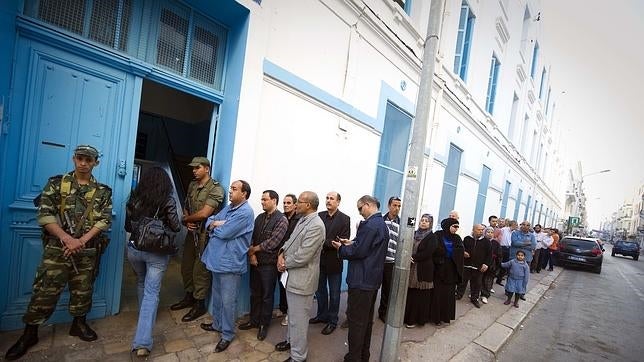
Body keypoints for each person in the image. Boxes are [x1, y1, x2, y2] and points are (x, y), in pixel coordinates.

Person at [5, 145, 112, 361]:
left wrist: (81, 240)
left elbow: (104, 220)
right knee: (44, 290)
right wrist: (67, 238)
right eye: (80, 158)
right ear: (74, 159)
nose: (83, 163)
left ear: (95, 163)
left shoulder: (103, 191)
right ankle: (30, 333)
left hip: (86, 250)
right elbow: (45, 215)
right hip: (58, 249)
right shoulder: (56, 184)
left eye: (88, 160)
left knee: (83, 288)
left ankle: (79, 324)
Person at [124, 167, 181, 357]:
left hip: (135, 249)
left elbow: (127, 225)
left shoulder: (135, 197)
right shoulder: (167, 200)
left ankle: (144, 318)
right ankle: (142, 342)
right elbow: (175, 226)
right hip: (156, 252)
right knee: (151, 292)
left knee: (141, 282)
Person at [332, 195, 389, 362]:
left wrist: (341, 248)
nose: (360, 213)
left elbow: (359, 252)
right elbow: (366, 247)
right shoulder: (380, 224)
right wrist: (350, 242)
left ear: (368, 205)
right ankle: (363, 356)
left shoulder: (370, 225)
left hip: (361, 280)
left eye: (360, 208)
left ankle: (353, 357)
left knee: (356, 323)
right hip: (370, 280)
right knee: (365, 323)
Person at [201, 180, 255, 353]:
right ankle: (217, 325)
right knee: (217, 297)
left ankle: (227, 334)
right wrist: (217, 223)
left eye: (234, 189)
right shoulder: (230, 207)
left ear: (244, 193)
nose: (230, 192)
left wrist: (218, 225)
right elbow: (209, 220)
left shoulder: (246, 212)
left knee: (228, 302)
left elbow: (224, 233)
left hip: (230, 264)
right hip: (217, 261)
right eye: (230, 188)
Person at [171, 157, 224, 323]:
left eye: (197, 167)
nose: (194, 170)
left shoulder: (216, 189)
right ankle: (189, 296)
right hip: (191, 233)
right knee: (186, 266)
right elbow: (187, 205)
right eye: (193, 168)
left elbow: (204, 214)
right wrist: (188, 220)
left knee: (200, 270)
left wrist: (186, 220)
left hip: (205, 235)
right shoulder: (193, 185)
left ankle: (199, 303)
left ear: (207, 169)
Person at [275, 191, 325, 362]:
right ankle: (291, 342)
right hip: (292, 278)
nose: (296, 205)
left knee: (299, 321)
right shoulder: (303, 220)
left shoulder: (316, 225)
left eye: (300, 202)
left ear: (308, 205)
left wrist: (284, 263)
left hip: (302, 281)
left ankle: (298, 357)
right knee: (293, 315)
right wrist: (281, 253)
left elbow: (304, 255)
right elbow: (290, 241)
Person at [239, 190, 288, 340]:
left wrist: (254, 249)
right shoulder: (259, 217)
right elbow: (251, 236)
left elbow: (273, 243)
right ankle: (254, 321)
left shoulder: (282, 220)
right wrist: (252, 255)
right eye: (261, 199)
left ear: (274, 201)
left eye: (265, 199)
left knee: (267, 296)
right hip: (255, 263)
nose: (262, 202)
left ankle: (263, 325)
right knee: (255, 294)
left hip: (269, 265)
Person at [310, 192, 350, 336]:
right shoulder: (319, 216)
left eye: (331, 198)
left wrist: (324, 242)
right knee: (320, 291)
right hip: (319, 262)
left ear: (338, 202)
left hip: (334, 262)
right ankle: (322, 315)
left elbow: (342, 241)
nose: (328, 200)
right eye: (327, 198)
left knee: (334, 294)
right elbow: (315, 237)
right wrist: (329, 242)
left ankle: (332, 321)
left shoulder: (345, 219)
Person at [429, 218, 464, 326]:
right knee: (437, 294)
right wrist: (444, 253)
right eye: (454, 226)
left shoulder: (457, 238)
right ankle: (435, 318)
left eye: (457, 227)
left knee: (448, 295)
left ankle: (445, 317)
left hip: (451, 270)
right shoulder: (438, 235)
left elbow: (460, 251)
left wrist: (451, 253)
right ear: (448, 226)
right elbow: (433, 249)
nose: (456, 229)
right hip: (439, 269)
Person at [404, 214, 434, 328]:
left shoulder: (432, 237)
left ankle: (416, 320)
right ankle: (407, 318)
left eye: (427, 221)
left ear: (430, 223)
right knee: (410, 294)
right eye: (422, 220)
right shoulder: (414, 233)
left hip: (422, 270)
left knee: (419, 296)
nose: (424, 222)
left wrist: (414, 257)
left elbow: (428, 252)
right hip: (411, 268)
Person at [456, 224, 491, 308]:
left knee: (477, 284)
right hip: (467, 265)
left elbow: (489, 254)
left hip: (478, 267)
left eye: (482, 230)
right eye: (479, 230)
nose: (481, 231)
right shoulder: (467, 239)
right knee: (462, 281)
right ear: (474, 230)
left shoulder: (486, 242)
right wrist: (463, 252)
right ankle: (459, 294)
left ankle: (474, 299)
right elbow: (461, 248)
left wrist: (486, 264)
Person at [378, 196, 401, 322]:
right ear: (389, 205)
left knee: (387, 290)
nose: (396, 208)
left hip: (391, 262)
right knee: (373, 287)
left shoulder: (401, 223)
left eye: (399, 206)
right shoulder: (381, 220)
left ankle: (383, 313)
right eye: (394, 205)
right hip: (378, 261)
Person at [278, 193, 300, 327]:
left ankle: (289, 314)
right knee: (281, 285)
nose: (286, 205)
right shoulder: (281, 217)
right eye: (284, 203)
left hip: (291, 258)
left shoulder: (299, 220)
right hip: (279, 256)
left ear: (295, 205)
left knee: (289, 287)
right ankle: (282, 310)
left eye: (288, 203)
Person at [481, 226, 501, 304]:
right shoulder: (481, 241)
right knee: (478, 279)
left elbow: (499, 254)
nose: (490, 234)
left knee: (488, 280)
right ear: (484, 233)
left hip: (491, 265)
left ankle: (485, 295)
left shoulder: (495, 243)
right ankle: (476, 293)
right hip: (481, 263)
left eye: (491, 232)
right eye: (488, 232)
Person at [496, 220, 517, 286]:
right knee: (498, 263)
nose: (516, 226)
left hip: (509, 249)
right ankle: (494, 275)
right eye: (515, 225)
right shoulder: (503, 229)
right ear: (512, 224)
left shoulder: (514, 232)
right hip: (502, 247)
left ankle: (499, 280)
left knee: (505, 265)